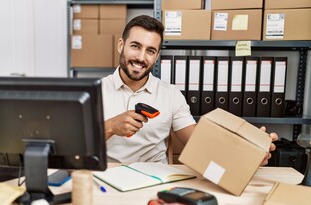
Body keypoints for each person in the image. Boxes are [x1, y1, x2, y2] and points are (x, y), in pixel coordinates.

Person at [102, 15, 278, 165]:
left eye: (150, 51)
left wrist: (248, 155)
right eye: (135, 46)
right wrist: (109, 127)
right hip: (106, 177)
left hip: (153, 180)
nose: (141, 57)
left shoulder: (170, 94)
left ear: (156, 56)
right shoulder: (94, 92)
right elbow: (75, 149)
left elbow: (200, 145)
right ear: (121, 45)